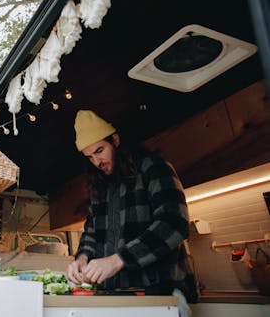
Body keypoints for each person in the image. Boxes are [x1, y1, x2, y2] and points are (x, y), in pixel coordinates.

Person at [66, 110, 198, 317]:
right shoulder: (99, 187)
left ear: (115, 141)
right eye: (89, 157)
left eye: (100, 150)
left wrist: (118, 259)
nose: (97, 162)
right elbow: (91, 232)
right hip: (117, 296)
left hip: (162, 294)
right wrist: (82, 258)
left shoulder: (153, 167)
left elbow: (174, 223)